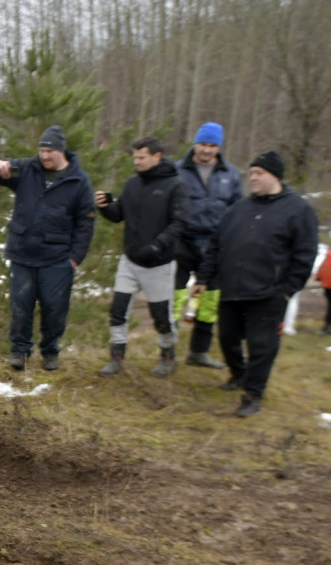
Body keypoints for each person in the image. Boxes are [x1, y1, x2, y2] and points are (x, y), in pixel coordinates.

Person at [193, 151, 319, 417]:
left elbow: (304, 254)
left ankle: (253, 394)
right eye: (251, 174)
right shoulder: (238, 209)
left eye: (259, 173)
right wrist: (204, 277)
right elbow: (216, 245)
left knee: (262, 346)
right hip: (232, 288)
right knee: (227, 338)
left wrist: (287, 289)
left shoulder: (297, 209)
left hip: (269, 293)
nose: (253, 178)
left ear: (275, 175)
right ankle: (239, 373)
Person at [0, 125, 96, 371]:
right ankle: (19, 352)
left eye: (49, 151)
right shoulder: (27, 169)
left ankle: (50, 352)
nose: (44, 156)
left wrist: (75, 258)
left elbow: (86, 223)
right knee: (20, 306)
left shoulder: (79, 181)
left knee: (54, 309)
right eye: (41, 150)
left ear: (61, 151)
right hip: (22, 253)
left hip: (57, 258)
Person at [96, 137, 189, 377]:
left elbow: (180, 223)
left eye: (141, 157)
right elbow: (119, 215)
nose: (136, 161)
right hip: (130, 261)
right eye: (135, 157)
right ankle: (116, 358)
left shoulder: (175, 185)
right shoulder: (132, 184)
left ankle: (167, 356)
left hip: (159, 264)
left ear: (156, 156)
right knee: (117, 310)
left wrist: (158, 245)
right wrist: (106, 205)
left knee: (161, 316)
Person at [174, 122, 243, 367]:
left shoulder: (231, 175)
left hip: (216, 246)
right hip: (182, 241)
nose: (206, 150)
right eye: (203, 144)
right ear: (195, 144)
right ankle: (168, 349)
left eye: (212, 146)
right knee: (175, 296)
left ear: (218, 147)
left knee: (210, 300)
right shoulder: (177, 170)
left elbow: (238, 210)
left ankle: (198, 351)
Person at [317, 248, 331, 334]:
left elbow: (323, 266)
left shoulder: (329, 253)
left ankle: (326, 326)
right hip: (328, 283)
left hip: (326, 283)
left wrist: (319, 276)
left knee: (330, 305)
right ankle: (326, 327)